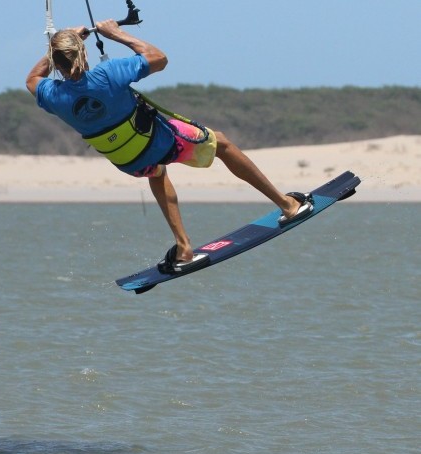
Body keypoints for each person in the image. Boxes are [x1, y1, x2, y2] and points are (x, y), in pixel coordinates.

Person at [26, 20, 313, 273]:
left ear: (56, 61)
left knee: (157, 172)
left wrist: (53, 51)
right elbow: (159, 58)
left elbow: (31, 79)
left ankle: (184, 246)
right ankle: (287, 205)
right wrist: (115, 34)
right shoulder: (108, 73)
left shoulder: (54, 97)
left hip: (131, 163)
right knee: (221, 142)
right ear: (83, 53)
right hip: (160, 142)